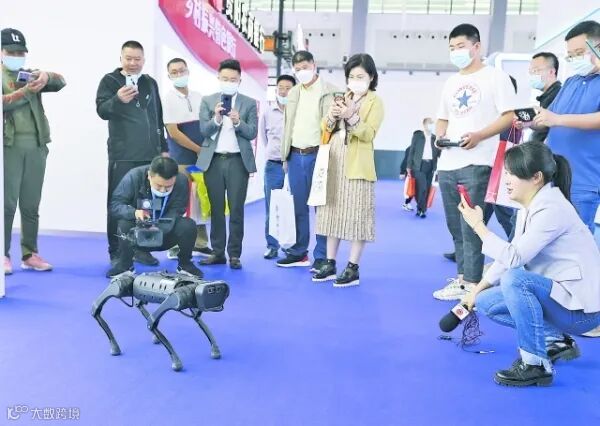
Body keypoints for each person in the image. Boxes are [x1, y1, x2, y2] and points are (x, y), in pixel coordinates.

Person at [459, 142, 600, 387]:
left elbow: (514, 258)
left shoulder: (552, 209)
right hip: (564, 299)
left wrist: (478, 226)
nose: (506, 180)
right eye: (506, 172)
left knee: (516, 280)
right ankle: (555, 341)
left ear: (536, 177)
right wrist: (475, 291)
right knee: (485, 301)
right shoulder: (531, 205)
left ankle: (535, 365)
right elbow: (508, 256)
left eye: (513, 174)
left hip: (582, 313)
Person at [433, 23, 517, 301]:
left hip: (479, 162)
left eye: (461, 46)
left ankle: (472, 284)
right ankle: (462, 279)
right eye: (452, 48)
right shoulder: (451, 82)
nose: (456, 52)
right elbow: (442, 118)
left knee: (472, 226)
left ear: (476, 46)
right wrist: (440, 136)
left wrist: (480, 135)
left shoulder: (495, 77)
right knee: (455, 226)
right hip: (448, 162)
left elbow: (509, 116)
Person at [312, 53, 384, 287]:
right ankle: (330, 262)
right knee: (331, 211)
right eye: (351, 76)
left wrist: (351, 116)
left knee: (357, 215)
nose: (355, 80)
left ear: (371, 77)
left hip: (358, 163)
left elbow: (369, 134)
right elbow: (324, 127)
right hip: (334, 159)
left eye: (360, 76)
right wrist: (332, 116)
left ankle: (353, 267)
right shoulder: (342, 97)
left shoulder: (375, 102)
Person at [96, 40, 169, 267]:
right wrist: (117, 100)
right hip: (123, 156)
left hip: (150, 155)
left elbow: (158, 116)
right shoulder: (110, 81)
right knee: (119, 204)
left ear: (144, 60)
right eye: (128, 58)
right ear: (121, 59)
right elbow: (102, 110)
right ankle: (117, 251)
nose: (133, 63)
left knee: (147, 204)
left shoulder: (150, 82)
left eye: (137, 59)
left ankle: (141, 248)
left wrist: (163, 148)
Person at [2, 28, 66, 275]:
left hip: (37, 146)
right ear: (1, 52)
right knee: (7, 204)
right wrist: (27, 90)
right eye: (11, 52)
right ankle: (3, 254)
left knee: (31, 204)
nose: (17, 56)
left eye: (21, 52)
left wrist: (45, 76)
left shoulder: (29, 75)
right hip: (9, 146)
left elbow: (61, 81)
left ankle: (30, 254)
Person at [533, 20, 600, 235]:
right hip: (553, 176)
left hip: (583, 179)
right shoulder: (571, 82)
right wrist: (531, 120)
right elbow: (550, 115)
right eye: (570, 55)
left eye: (579, 53)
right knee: (548, 239)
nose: (574, 59)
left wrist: (557, 120)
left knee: (576, 241)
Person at [277, 51, 339, 271]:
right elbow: (288, 125)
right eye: (297, 69)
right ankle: (298, 252)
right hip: (295, 155)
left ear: (314, 65)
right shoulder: (293, 92)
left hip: (320, 155)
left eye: (305, 67)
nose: (301, 72)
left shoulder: (330, 91)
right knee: (298, 207)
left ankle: (321, 255)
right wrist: (284, 155)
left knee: (322, 208)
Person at [197, 59, 258, 270]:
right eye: (225, 78)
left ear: (240, 80)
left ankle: (234, 254)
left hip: (237, 162)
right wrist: (216, 118)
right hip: (213, 161)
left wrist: (238, 122)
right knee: (216, 208)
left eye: (233, 79)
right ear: (218, 78)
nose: (229, 82)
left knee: (236, 209)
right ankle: (217, 252)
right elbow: (204, 131)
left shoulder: (249, 103)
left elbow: (252, 132)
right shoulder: (208, 101)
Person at [107, 156, 203, 278]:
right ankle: (125, 265)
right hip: (137, 232)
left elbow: (177, 210)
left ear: (174, 178)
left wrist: (158, 228)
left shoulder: (181, 181)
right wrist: (134, 213)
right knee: (124, 224)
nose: (163, 190)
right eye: (158, 186)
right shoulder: (134, 177)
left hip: (166, 232)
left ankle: (185, 265)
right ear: (149, 176)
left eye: (168, 187)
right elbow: (115, 205)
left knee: (188, 225)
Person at [161, 57, 212, 259]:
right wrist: (197, 149)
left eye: (181, 70)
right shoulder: (168, 99)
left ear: (188, 71)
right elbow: (173, 133)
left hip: (200, 159)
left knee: (200, 200)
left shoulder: (199, 97)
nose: (179, 74)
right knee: (181, 202)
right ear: (169, 76)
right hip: (181, 159)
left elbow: (206, 126)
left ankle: (200, 243)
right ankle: (176, 245)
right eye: (174, 72)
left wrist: (204, 150)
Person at [259, 74, 296, 260]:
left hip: (295, 164)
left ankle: (292, 246)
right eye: (280, 88)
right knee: (272, 207)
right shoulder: (267, 112)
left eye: (288, 88)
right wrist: (276, 155)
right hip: (273, 165)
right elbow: (264, 138)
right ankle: (272, 245)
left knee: (294, 207)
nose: (283, 91)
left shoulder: (299, 112)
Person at [522, 52, 562, 143]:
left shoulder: (557, 94)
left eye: (536, 70)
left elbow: (543, 124)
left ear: (551, 71)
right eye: (531, 71)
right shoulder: (547, 94)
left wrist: (526, 121)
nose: (532, 75)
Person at [407, 117, 440, 218]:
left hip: (431, 165)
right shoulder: (417, 136)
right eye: (430, 123)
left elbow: (439, 153)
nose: (431, 125)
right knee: (422, 188)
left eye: (432, 123)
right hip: (418, 165)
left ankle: (421, 209)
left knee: (427, 188)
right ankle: (422, 209)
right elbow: (411, 151)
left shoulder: (435, 138)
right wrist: (408, 166)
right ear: (424, 125)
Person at [400, 145, 414, 211]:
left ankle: (407, 203)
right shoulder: (410, 148)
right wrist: (402, 172)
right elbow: (406, 160)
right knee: (410, 189)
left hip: (418, 171)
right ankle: (406, 203)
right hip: (410, 172)